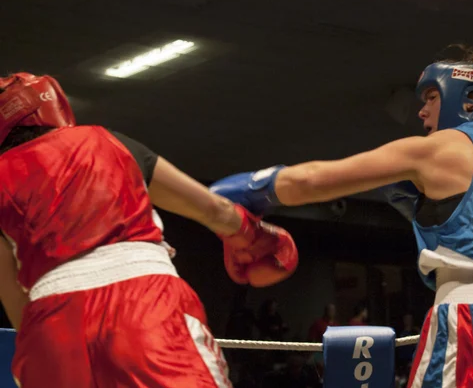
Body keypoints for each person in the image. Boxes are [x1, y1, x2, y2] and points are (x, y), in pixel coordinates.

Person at [210, 45, 473, 387]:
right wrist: (434, 220)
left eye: (432, 98)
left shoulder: (439, 149)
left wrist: (246, 191)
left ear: (468, 98)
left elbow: (312, 180)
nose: (422, 111)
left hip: (472, 329)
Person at [0, 72, 299, 387]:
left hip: (49, 328)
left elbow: (12, 296)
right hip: (142, 304)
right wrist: (257, 238)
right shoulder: (105, 140)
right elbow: (213, 209)